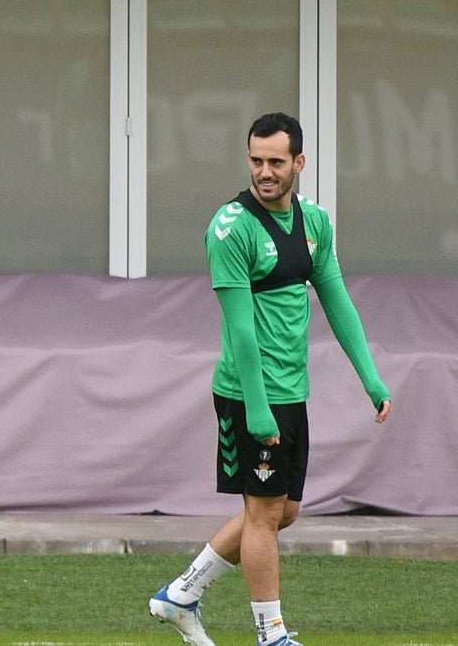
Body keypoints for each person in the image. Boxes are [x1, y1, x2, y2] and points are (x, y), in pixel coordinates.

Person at [148, 112, 392, 646]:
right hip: (246, 393)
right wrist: (257, 410)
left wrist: (370, 379)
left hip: (291, 390)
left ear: (298, 164)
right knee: (261, 516)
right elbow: (239, 330)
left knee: (285, 512)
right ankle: (271, 635)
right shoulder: (230, 228)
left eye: (276, 162)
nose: (264, 171)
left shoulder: (314, 222)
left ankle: (181, 595)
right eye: (256, 160)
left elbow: (337, 300)